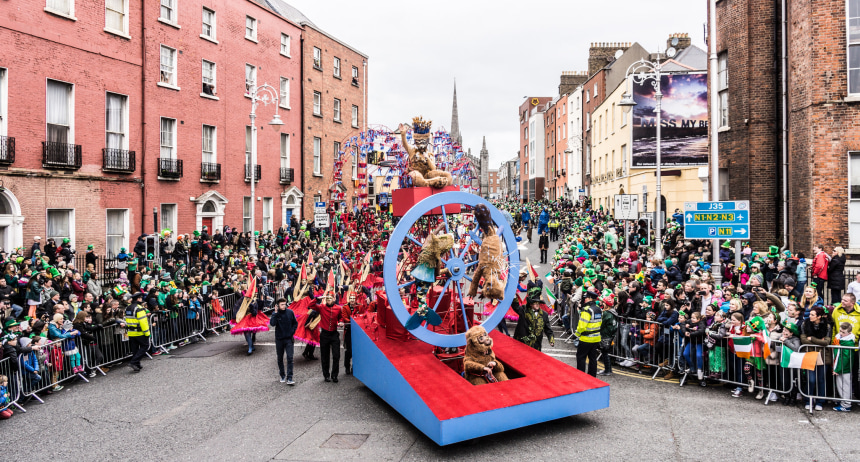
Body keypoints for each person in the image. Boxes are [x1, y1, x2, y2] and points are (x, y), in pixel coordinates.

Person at [313, 293, 350, 383]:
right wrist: (318, 298)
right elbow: (311, 305)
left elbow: (341, 317)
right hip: (324, 334)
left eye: (331, 299)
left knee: (336, 355)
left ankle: (334, 375)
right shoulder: (321, 307)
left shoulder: (338, 308)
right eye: (327, 299)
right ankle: (326, 375)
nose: (329, 300)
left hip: (334, 334)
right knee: (325, 356)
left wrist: (341, 322)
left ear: (334, 299)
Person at [575, 288, 602, 377]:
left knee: (581, 357)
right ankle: (592, 376)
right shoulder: (598, 309)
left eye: (586, 297)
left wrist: (577, 334)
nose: (585, 299)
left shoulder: (587, 310)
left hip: (586, 338)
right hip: (596, 338)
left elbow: (582, 326)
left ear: (590, 298)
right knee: (592, 358)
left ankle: (581, 376)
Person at [269, 298, 297, 385]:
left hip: (288, 339)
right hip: (279, 339)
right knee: (280, 358)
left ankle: (289, 378)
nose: (284, 306)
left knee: (290, 358)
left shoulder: (290, 312)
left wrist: (291, 332)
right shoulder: (275, 314)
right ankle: (282, 375)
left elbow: (295, 323)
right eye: (282, 304)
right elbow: (272, 323)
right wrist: (275, 313)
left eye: (285, 304)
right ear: (277, 305)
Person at [123, 292, 150, 372]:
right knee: (145, 346)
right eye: (141, 298)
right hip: (140, 332)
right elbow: (143, 322)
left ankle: (136, 365)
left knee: (135, 349)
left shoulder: (128, 308)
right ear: (138, 299)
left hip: (131, 332)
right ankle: (133, 362)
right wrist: (147, 333)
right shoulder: (139, 308)